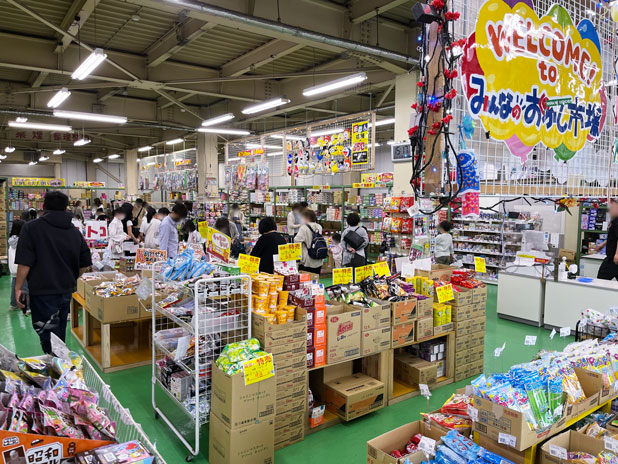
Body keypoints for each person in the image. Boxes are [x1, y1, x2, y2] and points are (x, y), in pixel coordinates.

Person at [15, 191, 92, 354]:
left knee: (47, 334)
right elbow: (85, 261)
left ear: (43, 206)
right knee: (58, 333)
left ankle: (58, 370)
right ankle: (60, 366)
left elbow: (24, 262)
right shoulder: (73, 231)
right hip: (65, 290)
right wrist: (73, 277)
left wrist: (18, 287)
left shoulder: (31, 228)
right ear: (66, 208)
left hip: (42, 290)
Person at [294, 208, 324, 274]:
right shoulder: (319, 226)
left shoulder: (304, 228)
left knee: (305, 281)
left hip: (307, 259)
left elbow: (296, 240)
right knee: (315, 279)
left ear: (306, 217)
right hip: (318, 258)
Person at [9, 220, 27, 313]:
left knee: (14, 286)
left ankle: (13, 304)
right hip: (20, 267)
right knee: (25, 287)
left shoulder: (11, 239)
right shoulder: (22, 240)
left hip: (12, 268)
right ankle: (27, 307)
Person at [597, 200, 618, 280]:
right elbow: (614, 236)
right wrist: (602, 244)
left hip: (613, 259)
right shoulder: (615, 220)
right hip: (613, 258)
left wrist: (617, 254)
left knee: (601, 280)